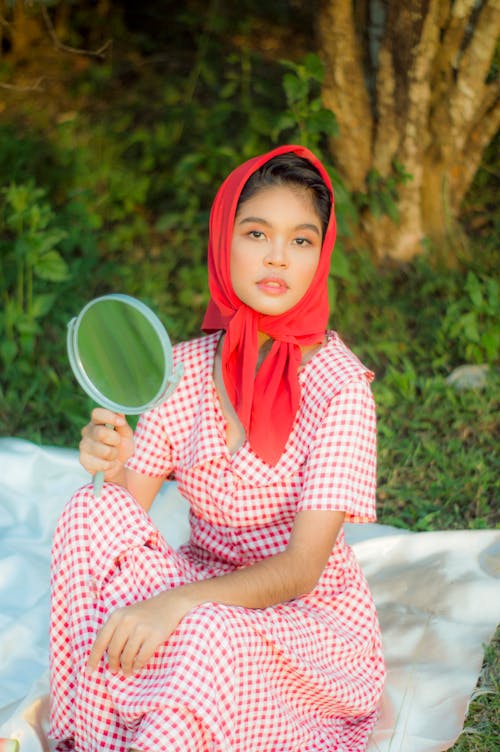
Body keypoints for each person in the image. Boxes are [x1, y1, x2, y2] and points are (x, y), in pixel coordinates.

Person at [49, 144, 386, 752]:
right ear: (222, 240)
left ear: (321, 255)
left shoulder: (341, 391)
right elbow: (126, 516)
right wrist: (112, 461)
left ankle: (157, 713)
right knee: (87, 511)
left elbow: (300, 570)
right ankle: (95, 732)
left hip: (307, 626)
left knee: (205, 634)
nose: (278, 256)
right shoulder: (182, 371)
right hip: (201, 584)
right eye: (257, 232)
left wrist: (172, 606)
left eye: (302, 240)